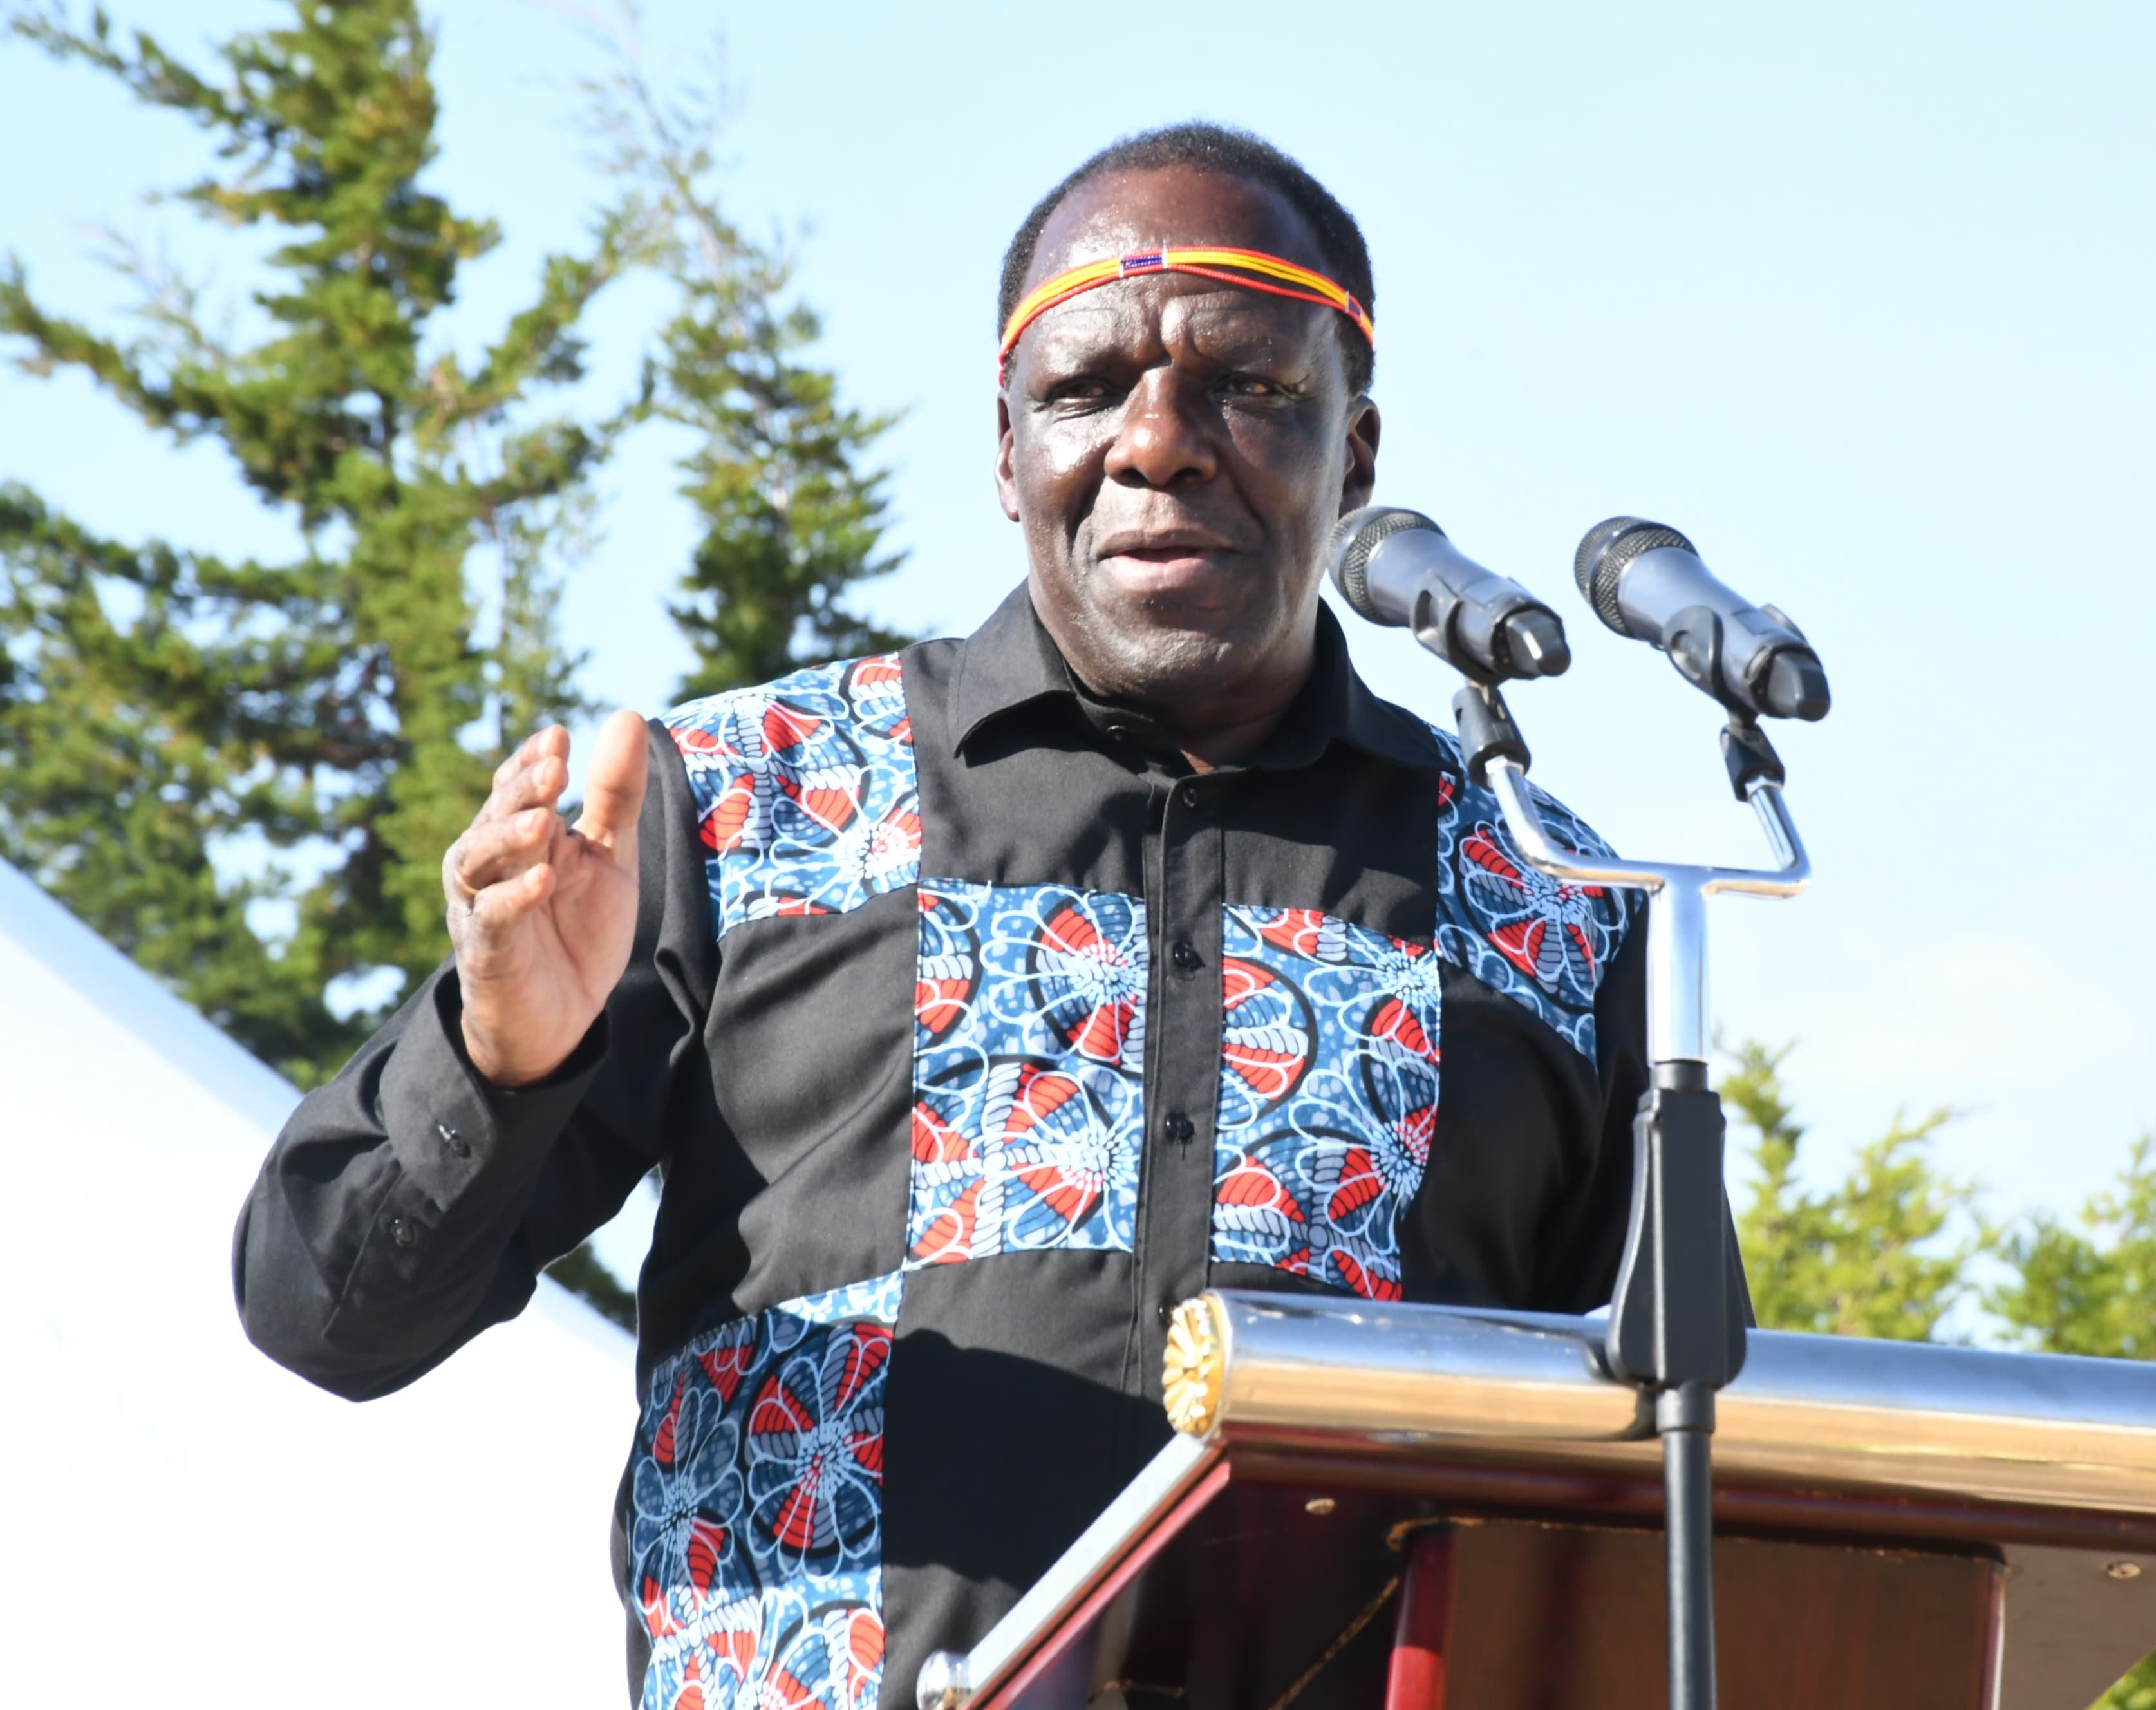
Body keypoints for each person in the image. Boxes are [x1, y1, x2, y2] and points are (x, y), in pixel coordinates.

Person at [235, 121, 1649, 1710]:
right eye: (1085, 387)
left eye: (1248, 382)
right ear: (1005, 451)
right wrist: (497, 1063)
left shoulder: (1549, 901)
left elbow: (1650, 1507)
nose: (1160, 440)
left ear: (1359, 451)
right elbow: (323, 1314)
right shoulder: (739, 803)